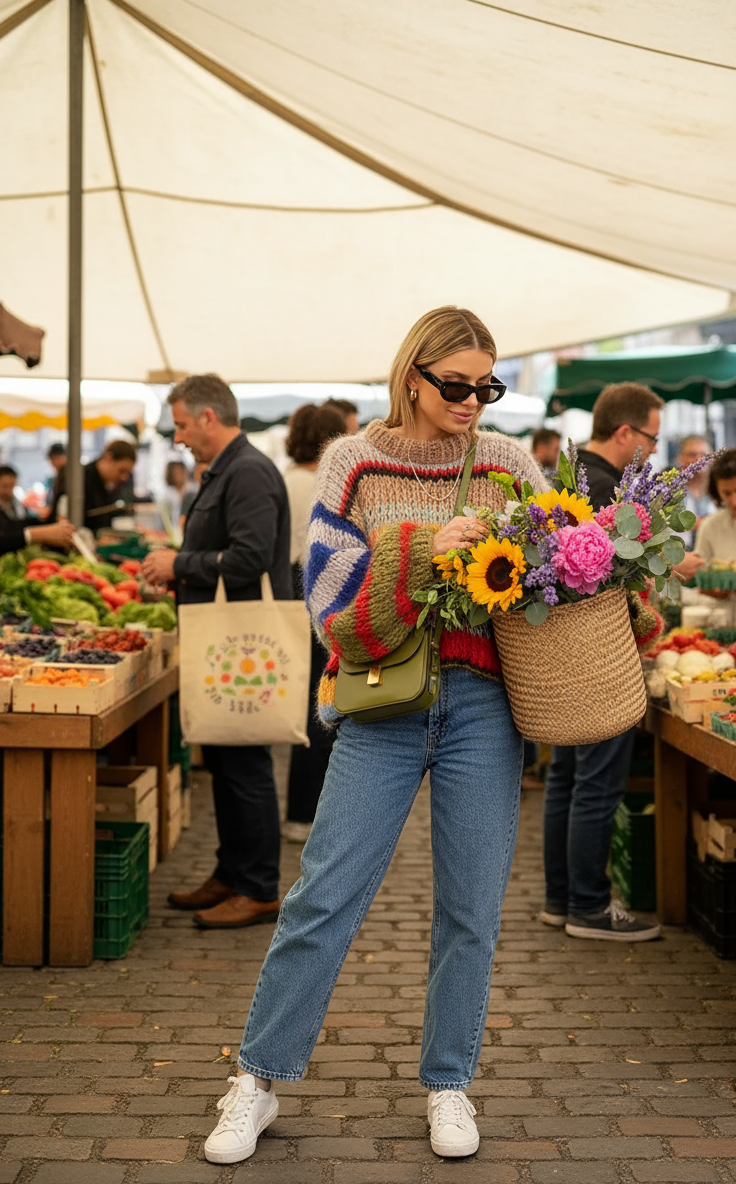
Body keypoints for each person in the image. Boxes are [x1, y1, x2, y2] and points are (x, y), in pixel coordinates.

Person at [201, 306, 547, 1167]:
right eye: (456, 384)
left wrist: (611, 574)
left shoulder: (509, 465)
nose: (471, 401)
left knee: (471, 908)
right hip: (382, 705)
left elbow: (551, 577)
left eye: (487, 387)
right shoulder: (353, 462)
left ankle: (449, 1082)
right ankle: (257, 1078)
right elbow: (329, 604)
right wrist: (423, 548)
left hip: (484, 706)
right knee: (322, 897)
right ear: (412, 376)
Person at [141, 374, 291, 930]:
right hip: (225, 640)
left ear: (209, 417)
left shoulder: (248, 472)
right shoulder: (228, 470)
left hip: (242, 643)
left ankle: (259, 888)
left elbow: (250, 557)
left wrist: (178, 565)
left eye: (182, 425)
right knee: (227, 761)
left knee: (245, 763)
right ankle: (232, 872)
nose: (178, 437)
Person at [541, 382, 664, 942]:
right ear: (624, 432)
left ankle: (560, 899)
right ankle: (589, 907)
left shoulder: (566, 481)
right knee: (596, 783)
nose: (654, 451)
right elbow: (623, 584)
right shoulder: (611, 491)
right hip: (602, 655)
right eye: (651, 439)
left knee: (566, 777)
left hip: (563, 654)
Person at [281, 402, 348, 842]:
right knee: (318, 707)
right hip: (312, 595)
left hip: (290, 593)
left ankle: (300, 812)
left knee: (307, 703)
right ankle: (306, 814)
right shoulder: (317, 486)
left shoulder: (286, 478)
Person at [689, 448, 736, 628]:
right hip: (727, 626)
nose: (734, 501)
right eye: (726, 493)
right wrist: (712, 587)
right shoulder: (711, 526)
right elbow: (700, 575)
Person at [49, 439, 138, 530]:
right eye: (122, 471)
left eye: (127, 473)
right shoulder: (78, 479)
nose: (124, 477)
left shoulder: (109, 485)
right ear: (109, 458)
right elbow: (64, 521)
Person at [0, 464, 74, 552]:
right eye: (4, 486)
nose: (8, 491)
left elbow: (15, 524)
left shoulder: (14, 502)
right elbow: (6, 531)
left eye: (12, 486)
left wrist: (40, 520)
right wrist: (34, 534)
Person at [675, 434, 713, 548]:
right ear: (680, 458)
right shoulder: (669, 490)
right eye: (692, 455)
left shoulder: (718, 489)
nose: (699, 459)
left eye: (704, 455)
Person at [163, 459, 192, 530]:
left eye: (181, 471)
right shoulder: (167, 495)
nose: (178, 475)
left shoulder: (192, 492)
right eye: (175, 472)